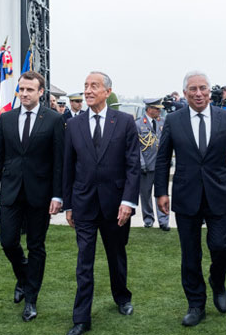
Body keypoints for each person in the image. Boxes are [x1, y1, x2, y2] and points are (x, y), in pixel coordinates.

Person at [154, 70, 226, 327]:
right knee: (190, 255)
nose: (199, 93)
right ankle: (196, 304)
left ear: (210, 92)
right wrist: (161, 192)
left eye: (203, 88)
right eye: (193, 89)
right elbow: (162, 158)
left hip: (219, 195)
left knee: (221, 246)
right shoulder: (173, 121)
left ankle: (218, 281)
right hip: (186, 197)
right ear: (185, 93)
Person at [62, 72, 140, 335]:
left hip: (116, 205)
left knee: (116, 255)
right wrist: (69, 205)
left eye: (94, 86)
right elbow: (67, 168)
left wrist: (128, 201)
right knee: (84, 261)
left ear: (108, 91)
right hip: (83, 204)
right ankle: (81, 318)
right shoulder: (74, 125)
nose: (88, 90)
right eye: (85, 86)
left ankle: (122, 297)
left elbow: (133, 165)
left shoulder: (125, 122)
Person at [0, 70, 64, 322]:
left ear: (41, 92)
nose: (24, 93)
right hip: (10, 191)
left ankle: (31, 298)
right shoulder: (7, 118)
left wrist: (57, 196)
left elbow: (58, 162)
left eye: (30, 89)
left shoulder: (53, 120)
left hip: (40, 194)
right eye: (21, 89)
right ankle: (23, 277)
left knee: (35, 246)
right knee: (8, 241)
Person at [135, 98, 169, 231]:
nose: (159, 111)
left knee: (162, 193)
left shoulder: (163, 122)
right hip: (146, 165)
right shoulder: (138, 124)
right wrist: (141, 163)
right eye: (157, 108)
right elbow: (136, 147)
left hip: (160, 165)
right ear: (149, 109)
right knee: (145, 194)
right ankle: (148, 219)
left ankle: (163, 221)